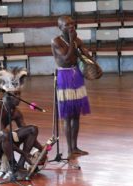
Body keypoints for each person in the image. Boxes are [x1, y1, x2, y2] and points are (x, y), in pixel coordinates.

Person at [0, 65, 47, 178]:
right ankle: (14, 168)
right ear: (7, 95)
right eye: (16, 94)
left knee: (32, 129)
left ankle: (20, 165)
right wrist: (25, 153)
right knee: (5, 134)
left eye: (19, 93)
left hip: (4, 139)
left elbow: (26, 133)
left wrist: (42, 149)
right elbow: (4, 136)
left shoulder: (16, 112)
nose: (19, 97)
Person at [51, 16, 102, 159]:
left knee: (76, 115)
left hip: (76, 75)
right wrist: (74, 41)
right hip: (64, 76)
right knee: (67, 116)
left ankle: (75, 147)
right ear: (60, 27)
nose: (71, 26)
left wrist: (91, 60)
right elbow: (66, 58)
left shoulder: (77, 40)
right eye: (67, 25)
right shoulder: (56, 41)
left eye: (72, 23)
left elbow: (82, 55)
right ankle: (69, 149)